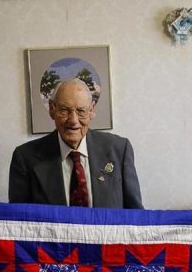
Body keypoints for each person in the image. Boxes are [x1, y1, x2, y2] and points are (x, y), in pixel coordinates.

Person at [9, 78, 143, 208]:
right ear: (52, 109)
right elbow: (19, 222)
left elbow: (136, 216)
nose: (73, 120)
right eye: (64, 110)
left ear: (91, 110)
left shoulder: (119, 150)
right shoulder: (25, 158)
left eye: (81, 111)